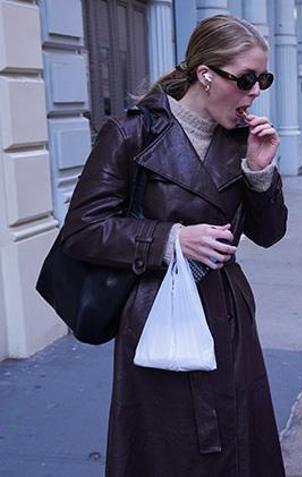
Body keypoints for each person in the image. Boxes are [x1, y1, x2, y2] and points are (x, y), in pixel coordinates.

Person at [59, 15, 288, 476]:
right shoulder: (131, 133)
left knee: (238, 445)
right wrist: (170, 239)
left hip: (227, 315)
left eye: (262, 79)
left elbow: (269, 233)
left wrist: (260, 172)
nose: (255, 93)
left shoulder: (243, 137)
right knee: (168, 451)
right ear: (206, 74)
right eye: (245, 79)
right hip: (157, 315)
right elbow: (83, 229)